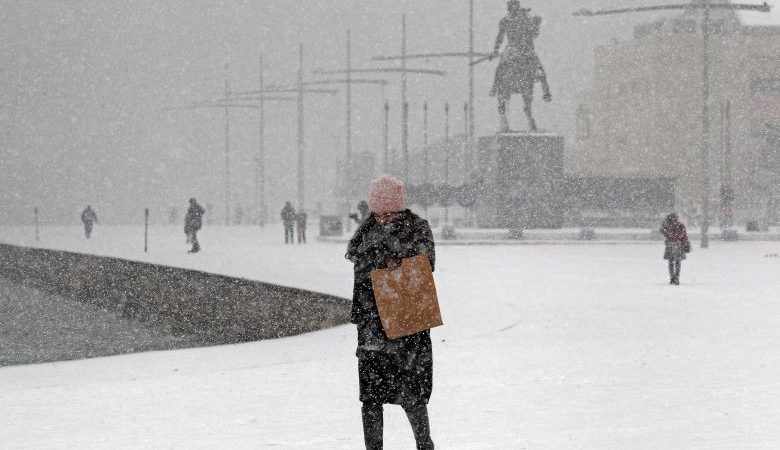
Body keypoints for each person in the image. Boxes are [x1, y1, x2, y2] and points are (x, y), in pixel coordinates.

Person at [345, 174, 436, 450]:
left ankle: (424, 443)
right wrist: (378, 259)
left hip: (406, 324)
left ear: (398, 208)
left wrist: (394, 257)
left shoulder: (416, 227)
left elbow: (426, 263)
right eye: (378, 212)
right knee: (370, 396)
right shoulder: (365, 231)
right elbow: (359, 267)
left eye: (388, 213)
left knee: (411, 393)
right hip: (371, 324)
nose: (383, 218)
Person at [490, 0, 551, 132]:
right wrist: (536, 24)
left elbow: (500, 38)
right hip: (521, 50)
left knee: (501, 68)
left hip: (515, 50)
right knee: (539, 70)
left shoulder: (512, 20)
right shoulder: (516, 19)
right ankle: (546, 91)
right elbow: (534, 34)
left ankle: (495, 87)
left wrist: (495, 50)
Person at [660, 212, 690, 285]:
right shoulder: (680, 225)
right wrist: (683, 241)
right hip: (678, 245)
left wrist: (670, 237)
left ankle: (672, 277)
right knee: (677, 262)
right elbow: (684, 235)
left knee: (671, 262)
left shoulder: (667, 226)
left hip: (670, 245)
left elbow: (662, 231)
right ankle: (676, 278)